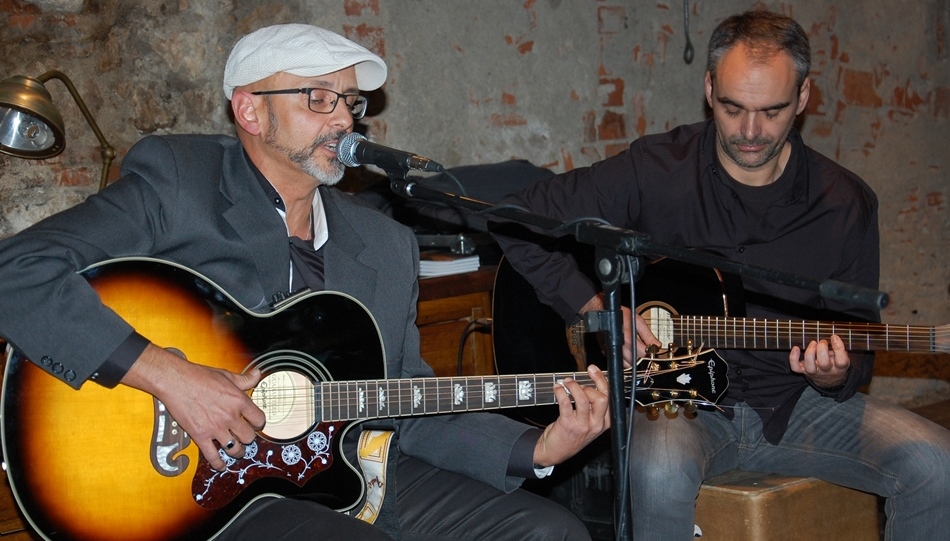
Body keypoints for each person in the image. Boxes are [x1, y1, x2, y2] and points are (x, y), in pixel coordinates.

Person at [0, 24, 609, 540]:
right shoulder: (180, 184)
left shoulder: (384, 243)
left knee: (551, 532)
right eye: (319, 98)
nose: (344, 118)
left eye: (351, 102)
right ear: (250, 110)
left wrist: (538, 449)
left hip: (351, 474)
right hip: (202, 492)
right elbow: (16, 271)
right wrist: (171, 376)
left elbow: (406, 399)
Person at [493, 10, 950, 540]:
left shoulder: (845, 204)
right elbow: (513, 218)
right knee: (658, 469)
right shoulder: (654, 170)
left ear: (803, 97)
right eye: (733, 109)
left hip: (796, 405)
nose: (750, 132)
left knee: (935, 465)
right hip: (679, 406)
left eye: (772, 111)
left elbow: (858, 340)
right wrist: (596, 310)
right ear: (709, 89)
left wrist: (834, 374)